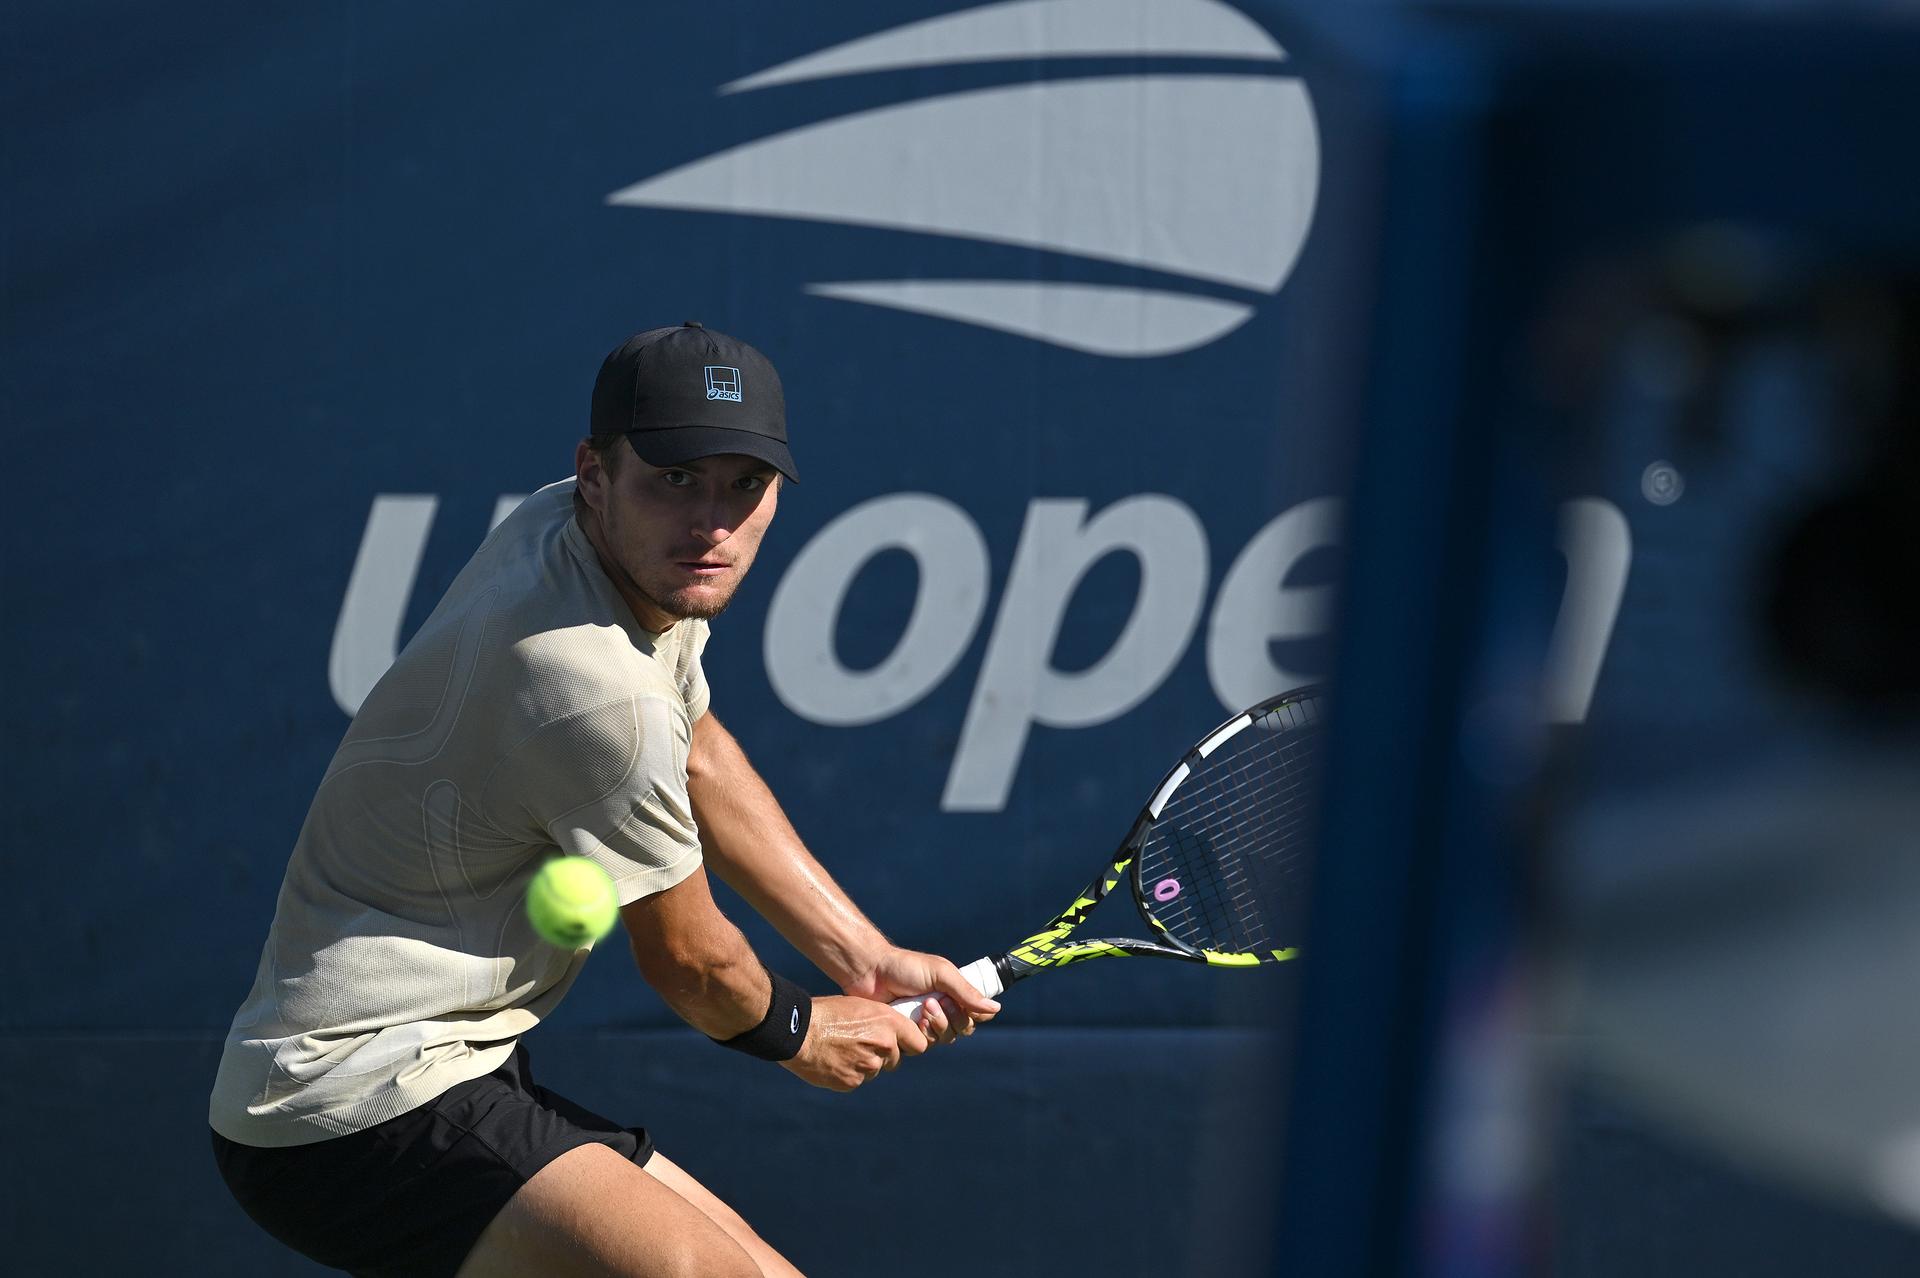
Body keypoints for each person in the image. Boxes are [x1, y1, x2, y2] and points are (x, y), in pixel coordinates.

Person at [208, 322, 999, 1277]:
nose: (712, 522)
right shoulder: (588, 687)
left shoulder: (578, 539)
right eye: (674, 479)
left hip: (453, 1061)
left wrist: (866, 958)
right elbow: (691, 962)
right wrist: (804, 1031)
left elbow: (696, 751)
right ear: (594, 471)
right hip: (346, 1106)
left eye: (743, 486)